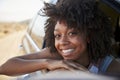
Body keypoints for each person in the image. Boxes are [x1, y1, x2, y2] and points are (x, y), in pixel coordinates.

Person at [0, 0, 120, 77]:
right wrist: (48, 63)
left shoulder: (106, 64)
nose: (62, 42)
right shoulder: (55, 55)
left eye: (72, 33)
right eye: (58, 35)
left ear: (88, 36)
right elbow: (4, 68)